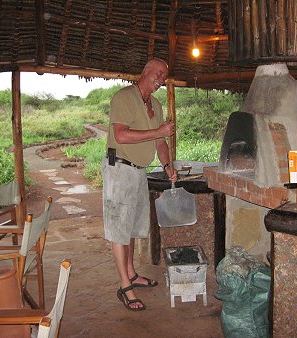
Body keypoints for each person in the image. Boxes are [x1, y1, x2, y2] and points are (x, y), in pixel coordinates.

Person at [102, 58, 177, 311]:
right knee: (119, 229)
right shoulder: (124, 97)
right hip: (120, 169)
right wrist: (159, 132)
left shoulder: (155, 104)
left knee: (132, 227)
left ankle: (132, 273)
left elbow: (160, 144)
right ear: (145, 72)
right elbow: (121, 135)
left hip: (138, 171)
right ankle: (125, 286)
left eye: (164, 76)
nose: (161, 79)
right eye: (158, 73)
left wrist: (168, 166)